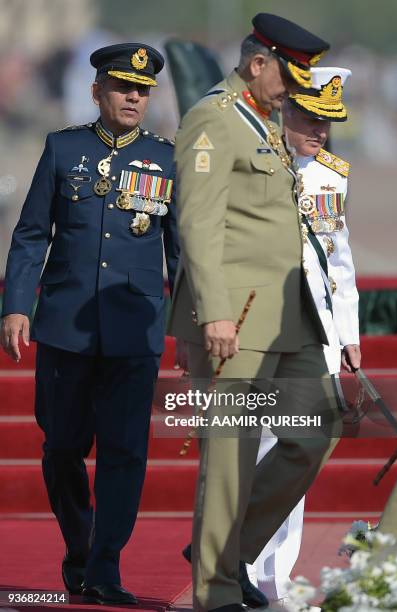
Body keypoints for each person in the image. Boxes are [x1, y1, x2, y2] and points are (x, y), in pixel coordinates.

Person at [169, 13, 341, 612]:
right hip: (236, 321)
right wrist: (213, 313)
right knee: (230, 456)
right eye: (287, 77)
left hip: (290, 318)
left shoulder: (266, 122)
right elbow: (199, 222)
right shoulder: (214, 120)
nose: (293, 91)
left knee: (317, 429)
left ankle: (228, 549)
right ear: (257, 62)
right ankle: (215, 592)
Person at [0, 43, 179, 605]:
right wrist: (16, 305)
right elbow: (32, 233)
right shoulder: (63, 148)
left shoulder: (166, 159)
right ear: (97, 90)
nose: (133, 97)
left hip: (135, 329)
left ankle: (104, 567)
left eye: (142, 90)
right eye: (123, 86)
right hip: (66, 329)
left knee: (125, 452)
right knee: (61, 448)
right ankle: (81, 545)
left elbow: (183, 252)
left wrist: (196, 327)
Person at [247, 66, 361, 610]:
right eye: (311, 119)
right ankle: (238, 566)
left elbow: (339, 259)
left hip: (317, 332)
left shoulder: (333, 173)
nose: (320, 132)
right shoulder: (256, 165)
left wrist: (349, 332)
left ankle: (277, 579)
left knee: (299, 458)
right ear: (284, 111)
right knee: (263, 450)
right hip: (263, 329)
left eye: (328, 123)